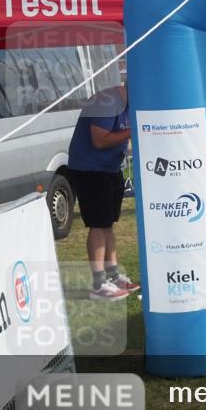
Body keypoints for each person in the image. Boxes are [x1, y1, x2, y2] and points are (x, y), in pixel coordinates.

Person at [67, 85, 139, 301]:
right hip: (90, 169)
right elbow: (99, 140)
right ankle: (98, 284)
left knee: (107, 224)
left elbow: (119, 139)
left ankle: (113, 276)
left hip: (109, 168)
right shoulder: (106, 101)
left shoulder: (127, 103)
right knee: (98, 225)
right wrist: (134, 129)